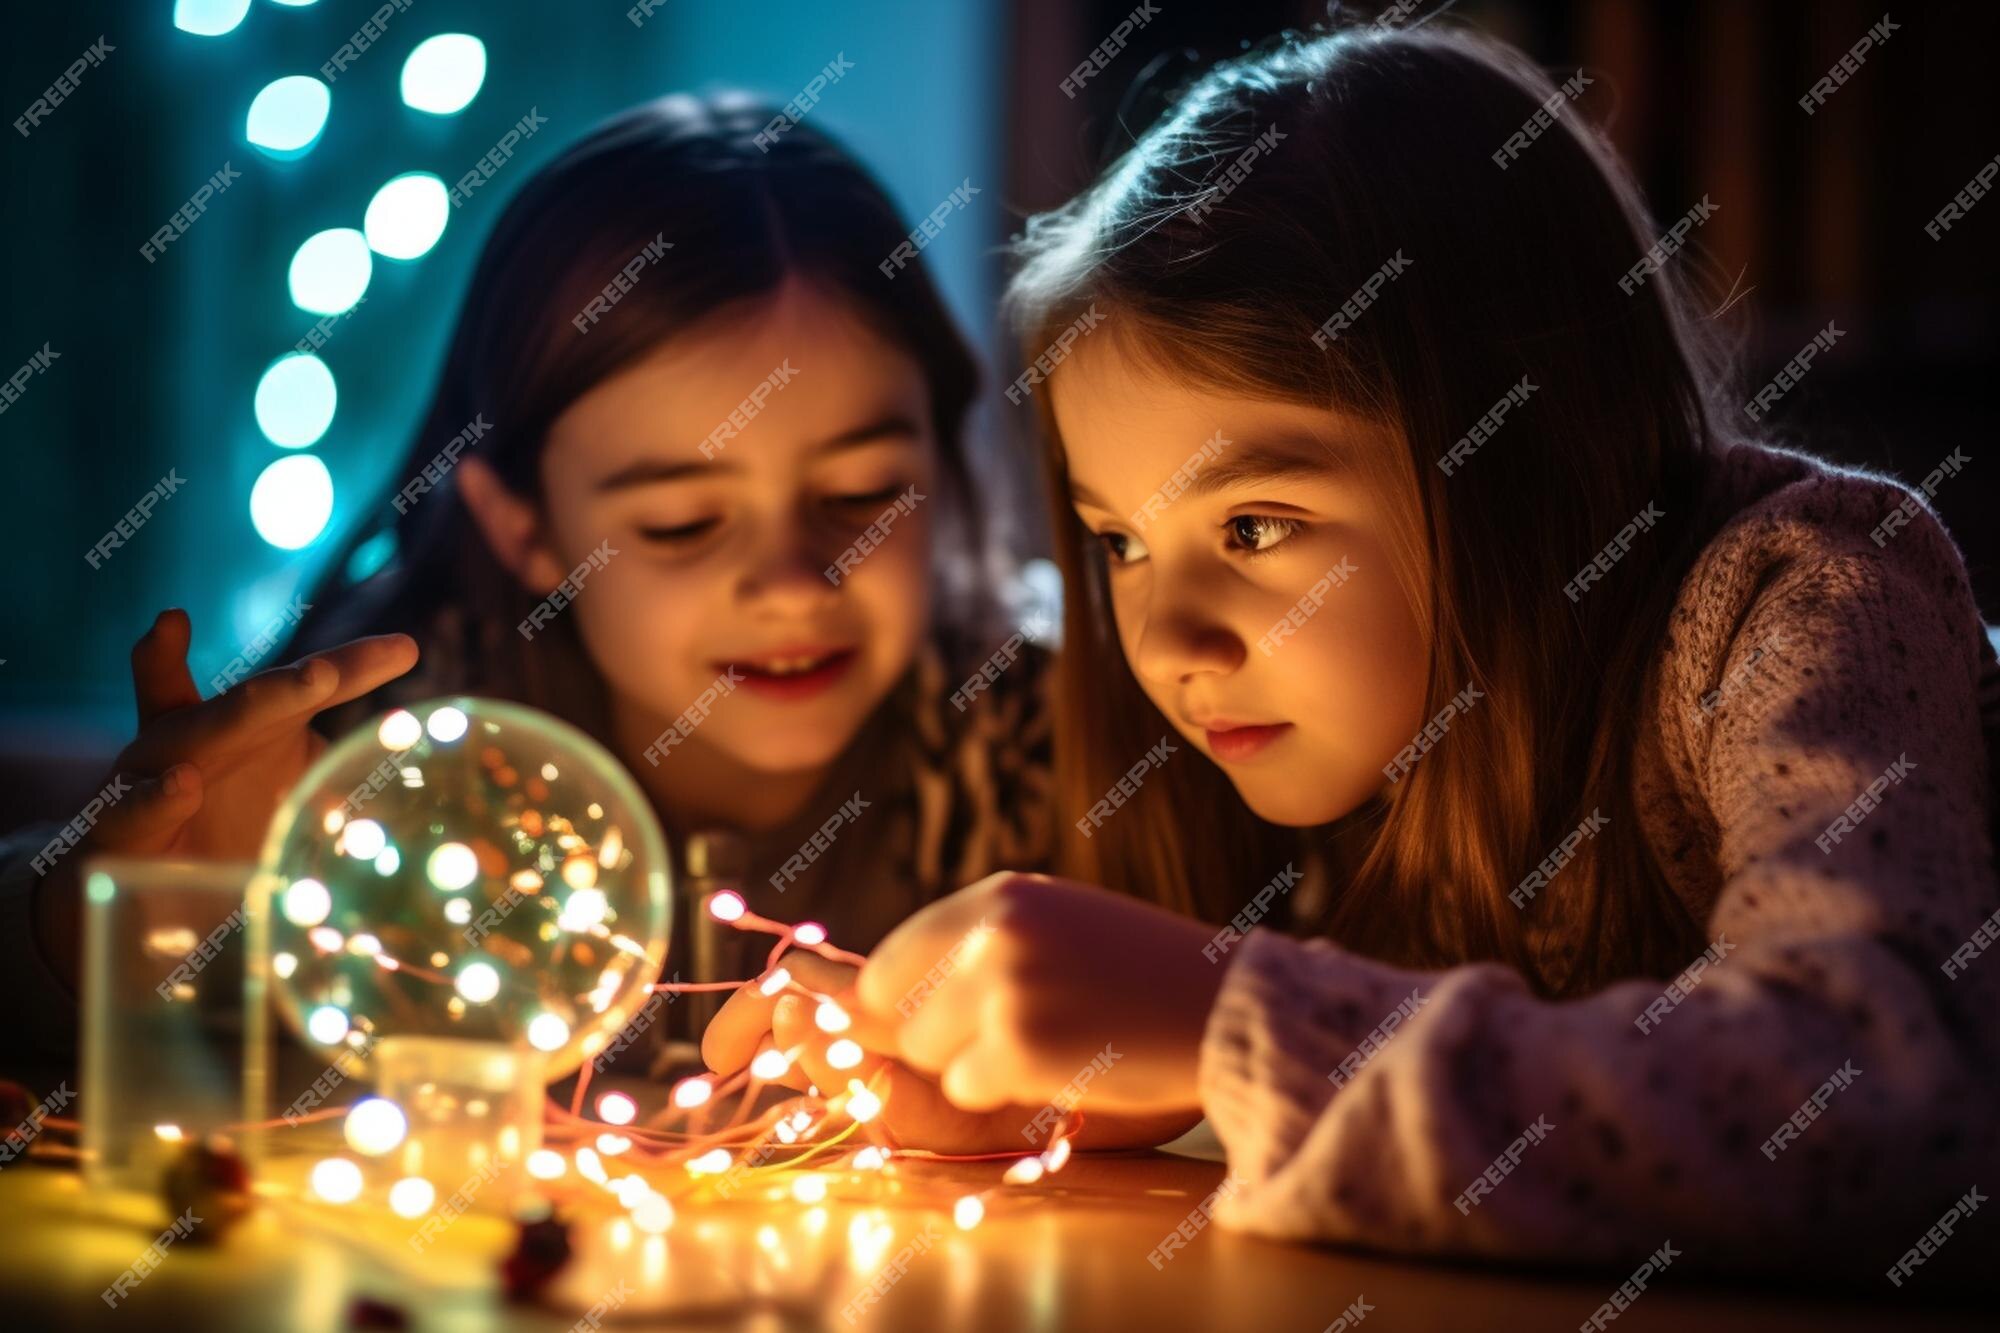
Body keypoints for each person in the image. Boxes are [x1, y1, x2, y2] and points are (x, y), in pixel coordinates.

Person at [710, 25, 2000, 1275]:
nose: (1166, 640)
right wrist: (1084, 1093)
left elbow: (1892, 1102)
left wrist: (1225, 1020)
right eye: (1119, 542)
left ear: (1514, 459)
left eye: (1255, 525)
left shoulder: (1807, 590)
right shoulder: (1324, 758)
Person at [0, 93, 1054, 1072]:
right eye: (681, 521)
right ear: (524, 529)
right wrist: (119, 932)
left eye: (865, 494)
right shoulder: (382, 764)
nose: (789, 584)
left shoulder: (1051, 743)